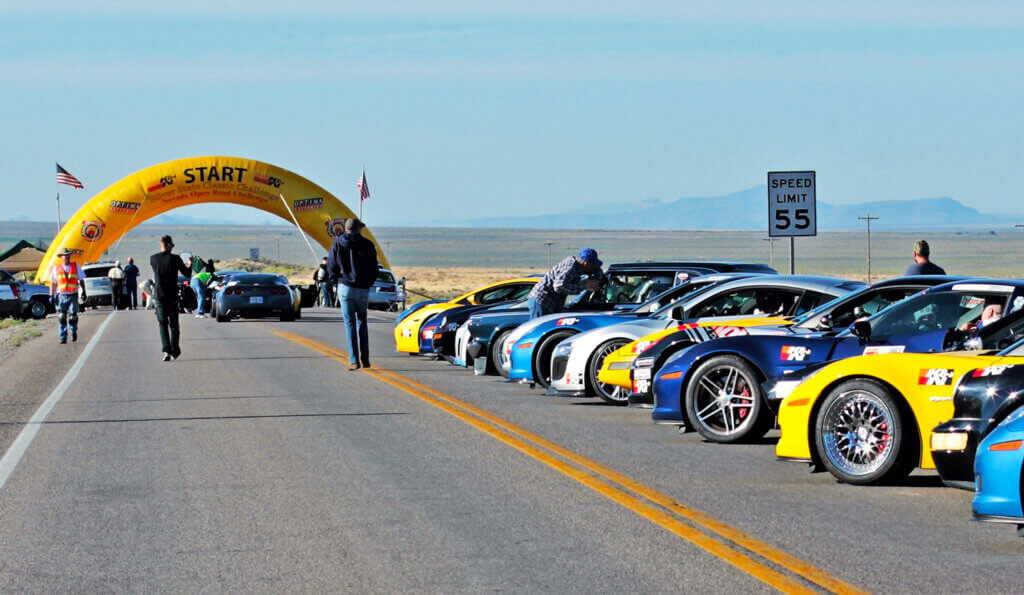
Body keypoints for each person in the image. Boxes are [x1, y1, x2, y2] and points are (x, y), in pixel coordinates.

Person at [328, 218, 379, 370]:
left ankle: (353, 360)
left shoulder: (337, 244)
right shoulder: (368, 244)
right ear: (358, 229)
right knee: (362, 322)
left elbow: (331, 266)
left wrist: (335, 282)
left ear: (346, 229)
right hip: (363, 287)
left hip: (345, 286)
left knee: (349, 323)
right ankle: (365, 359)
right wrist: (368, 283)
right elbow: (374, 268)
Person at [527, 248, 604, 319]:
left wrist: (596, 280)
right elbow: (559, 286)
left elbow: (596, 272)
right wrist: (583, 286)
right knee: (540, 329)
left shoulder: (580, 269)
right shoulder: (571, 266)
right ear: (586, 264)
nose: (594, 268)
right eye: (593, 266)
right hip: (542, 301)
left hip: (551, 304)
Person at [151, 235, 192, 361]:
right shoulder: (175, 259)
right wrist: (190, 263)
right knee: (174, 325)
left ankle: (166, 350)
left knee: (162, 323)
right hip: (172, 296)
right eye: (172, 245)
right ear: (168, 244)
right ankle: (175, 350)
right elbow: (187, 273)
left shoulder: (153, 259)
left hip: (159, 296)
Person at [48, 248, 86, 344]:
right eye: (65, 256)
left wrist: (84, 291)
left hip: (73, 295)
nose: (67, 258)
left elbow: (81, 280)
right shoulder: (56, 268)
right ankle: (63, 336)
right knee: (61, 316)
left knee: (73, 317)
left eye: (68, 256)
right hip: (61, 295)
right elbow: (52, 283)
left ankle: (73, 331)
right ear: (61, 257)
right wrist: (51, 295)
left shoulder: (76, 267)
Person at [189, 253, 207, 317]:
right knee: (202, 297)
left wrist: (200, 259)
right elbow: (208, 283)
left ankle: (199, 311)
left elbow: (205, 264)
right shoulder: (211, 275)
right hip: (197, 281)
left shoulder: (204, 273)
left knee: (199, 297)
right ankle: (200, 313)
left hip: (192, 281)